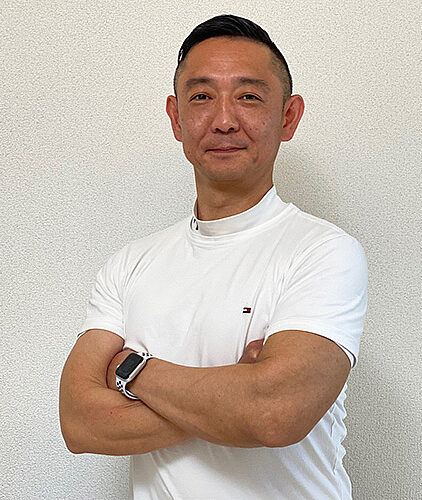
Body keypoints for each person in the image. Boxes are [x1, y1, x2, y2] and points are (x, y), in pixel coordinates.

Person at [59, 13, 368, 500]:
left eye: (249, 97)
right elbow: (79, 424)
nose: (224, 120)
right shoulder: (128, 265)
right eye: (201, 97)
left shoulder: (324, 252)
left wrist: (133, 370)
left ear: (288, 117)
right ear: (176, 118)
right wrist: (235, 395)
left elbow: (274, 413)